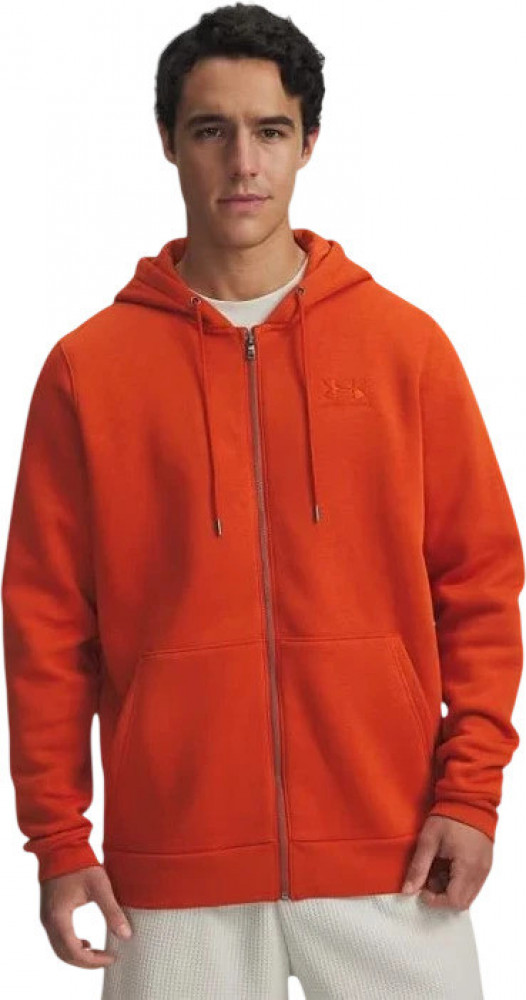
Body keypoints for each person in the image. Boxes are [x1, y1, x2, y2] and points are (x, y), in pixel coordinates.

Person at [2, 4, 523, 998]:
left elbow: (481, 586)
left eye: (270, 130)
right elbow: (46, 624)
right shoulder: (88, 372)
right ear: (168, 141)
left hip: (393, 857)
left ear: (308, 142)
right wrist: (59, 839)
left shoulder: (404, 350)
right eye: (211, 129)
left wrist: (471, 796)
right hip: (173, 871)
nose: (242, 162)